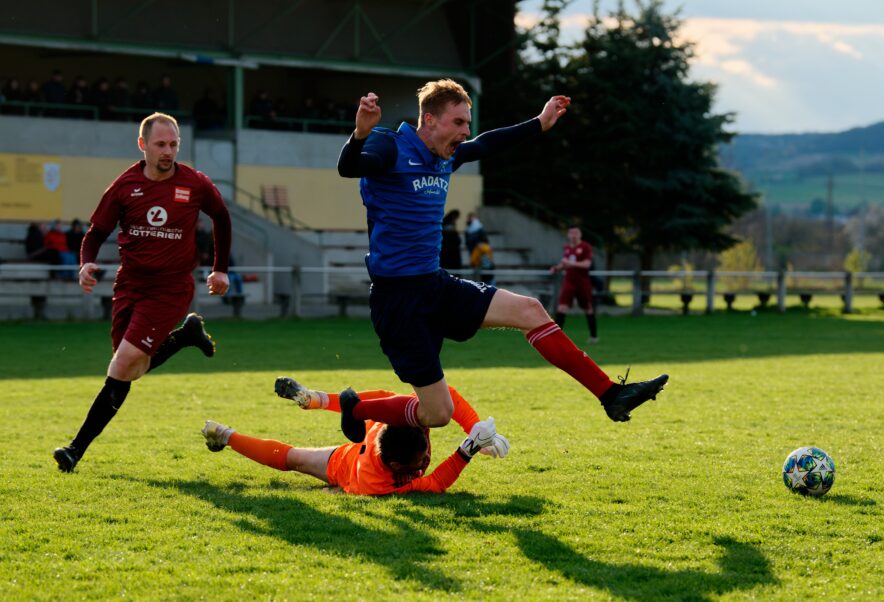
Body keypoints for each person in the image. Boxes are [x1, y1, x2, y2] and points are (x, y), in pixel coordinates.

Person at [335, 79, 667, 444]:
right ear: (429, 120)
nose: (466, 132)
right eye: (458, 122)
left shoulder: (447, 155)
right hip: (397, 299)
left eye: (467, 123)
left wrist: (539, 122)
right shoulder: (389, 144)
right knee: (438, 414)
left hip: (435, 284)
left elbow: (487, 143)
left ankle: (610, 394)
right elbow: (350, 168)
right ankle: (358, 409)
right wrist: (360, 132)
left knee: (530, 309)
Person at [53, 112, 233, 473]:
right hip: (130, 285)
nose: (168, 151)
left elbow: (222, 217)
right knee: (132, 369)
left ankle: (75, 450)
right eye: (161, 144)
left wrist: (220, 268)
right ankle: (184, 337)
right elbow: (95, 233)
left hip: (170, 289)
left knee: (122, 364)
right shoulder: (124, 186)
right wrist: (85, 263)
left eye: (174, 144)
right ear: (143, 145)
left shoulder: (194, 184)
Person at [201, 377, 509, 495]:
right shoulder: (376, 485)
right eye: (418, 462)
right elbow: (437, 483)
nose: (423, 463)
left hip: (370, 438)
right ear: (396, 466)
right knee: (292, 459)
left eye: (424, 453)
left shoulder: (406, 429)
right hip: (347, 466)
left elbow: (447, 396)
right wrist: (468, 449)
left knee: (388, 401)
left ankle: (321, 399)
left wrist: (476, 429)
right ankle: (226, 436)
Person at [550, 226, 598, 343]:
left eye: (576, 232)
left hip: (582, 282)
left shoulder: (585, 247)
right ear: (568, 235)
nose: (573, 235)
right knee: (561, 307)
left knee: (588, 308)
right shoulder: (567, 248)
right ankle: (556, 338)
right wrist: (556, 268)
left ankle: (593, 336)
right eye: (571, 233)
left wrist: (570, 263)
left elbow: (586, 264)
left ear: (580, 234)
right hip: (569, 281)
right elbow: (564, 264)